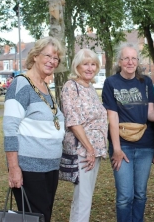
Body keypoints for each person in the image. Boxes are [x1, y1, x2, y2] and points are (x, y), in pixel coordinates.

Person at [3, 37, 65, 222]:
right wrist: (14, 168)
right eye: (48, 56)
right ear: (36, 56)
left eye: (56, 58)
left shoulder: (44, 86)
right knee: (35, 218)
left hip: (50, 167)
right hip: (29, 168)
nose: (52, 61)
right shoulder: (21, 84)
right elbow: (9, 128)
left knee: (42, 217)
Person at [102, 42, 154, 222]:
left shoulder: (146, 82)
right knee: (125, 196)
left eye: (134, 58)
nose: (130, 62)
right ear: (119, 61)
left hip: (145, 146)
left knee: (140, 194)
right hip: (122, 146)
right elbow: (113, 117)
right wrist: (116, 149)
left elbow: (150, 114)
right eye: (126, 58)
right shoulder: (111, 83)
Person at [61, 48, 108, 222]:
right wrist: (89, 149)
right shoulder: (71, 87)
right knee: (84, 197)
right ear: (77, 66)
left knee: (83, 197)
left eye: (93, 64)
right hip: (83, 150)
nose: (90, 68)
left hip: (94, 150)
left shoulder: (89, 88)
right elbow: (73, 121)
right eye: (85, 64)